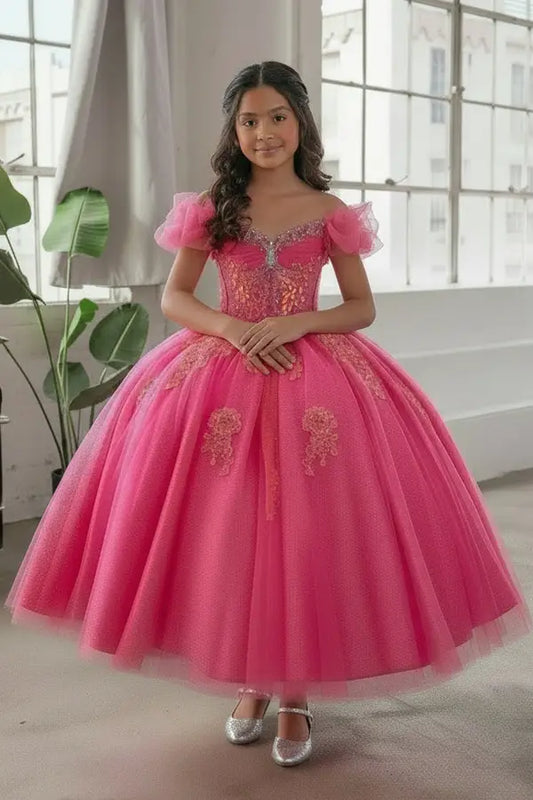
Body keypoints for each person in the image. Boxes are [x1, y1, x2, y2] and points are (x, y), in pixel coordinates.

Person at [6, 61, 531, 769]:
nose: (263, 132)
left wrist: (292, 326)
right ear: (234, 129)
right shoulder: (211, 208)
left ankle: (293, 692)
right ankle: (250, 682)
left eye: (276, 117)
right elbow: (177, 298)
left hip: (312, 375)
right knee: (231, 530)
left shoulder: (328, 211)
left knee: (307, 532)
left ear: (299, 122)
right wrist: (230, 330)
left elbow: (359, 308)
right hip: (220, 373)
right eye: (249, 120)